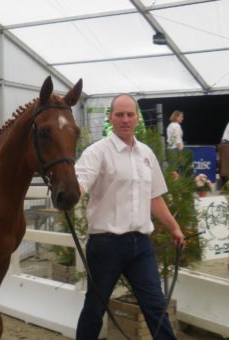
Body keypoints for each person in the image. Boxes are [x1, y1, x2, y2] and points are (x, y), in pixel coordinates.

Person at [75, 94, 186, 340]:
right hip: (106, 246)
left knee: (156, 307)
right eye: (119, 114)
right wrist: (72, 192)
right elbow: (79, 183)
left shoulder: (146, 154)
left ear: (137, 118)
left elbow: (154, 198)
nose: (125, 119)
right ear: (110, 118)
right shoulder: (97, 152)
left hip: (140, 246)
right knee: (95, 309)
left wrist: (174, 228)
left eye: (130, 114)